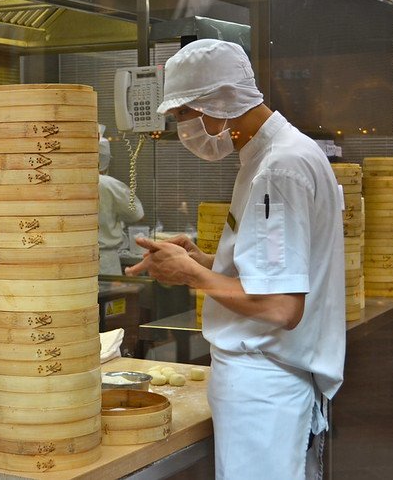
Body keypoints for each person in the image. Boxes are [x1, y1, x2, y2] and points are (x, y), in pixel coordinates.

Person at [126, 39, 345, 479]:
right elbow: (270, 271)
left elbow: (281, 306)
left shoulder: (278, 169)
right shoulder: (274, 156)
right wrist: (205, 260)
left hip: (265, 383)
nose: (183, 129)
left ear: (220, 103)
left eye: (184, 115)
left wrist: (192, 276)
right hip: (272, 380)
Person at [97, 126, 144, 275]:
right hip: (105, 263)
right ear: (104, 160)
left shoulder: (66, 183)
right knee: (106, 297)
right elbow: (137, 214)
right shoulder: (109, 184)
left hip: (72, 262)